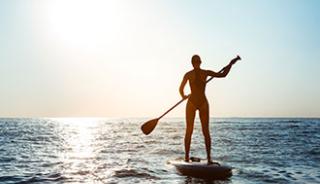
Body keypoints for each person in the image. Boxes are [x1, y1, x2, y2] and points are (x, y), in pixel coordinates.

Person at [179, 54, 240, 164]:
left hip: (203, 103)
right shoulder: (188, 74)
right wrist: (183, 96)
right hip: (192, 103)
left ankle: (209, 159)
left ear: (200, 63)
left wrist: (231, 64)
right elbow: (181, 88)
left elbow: (223, 75)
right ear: (193, 63)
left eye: (198, 62)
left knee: (206, 131)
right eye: (195, 62)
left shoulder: (205, 72)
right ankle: (186, 157)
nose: (196, 63)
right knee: (189, 130)